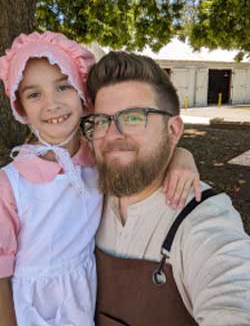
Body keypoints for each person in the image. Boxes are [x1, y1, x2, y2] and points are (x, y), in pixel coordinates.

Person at [0, 32, 199, 326]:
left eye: (63, 87)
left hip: (86, 299)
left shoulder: (98, 159)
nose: (51, 104)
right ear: (21, 108)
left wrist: (182, 156)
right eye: (34, 94)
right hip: (31, 308)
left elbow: (144, 155)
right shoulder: (11, 184)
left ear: (83, 97)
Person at [81, 51, 250, 326]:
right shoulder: (82, 198)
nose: (112, 135)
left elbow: (233, 293)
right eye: (101, 121)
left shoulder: (203, 219)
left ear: (173, 130)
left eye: (134, 118)